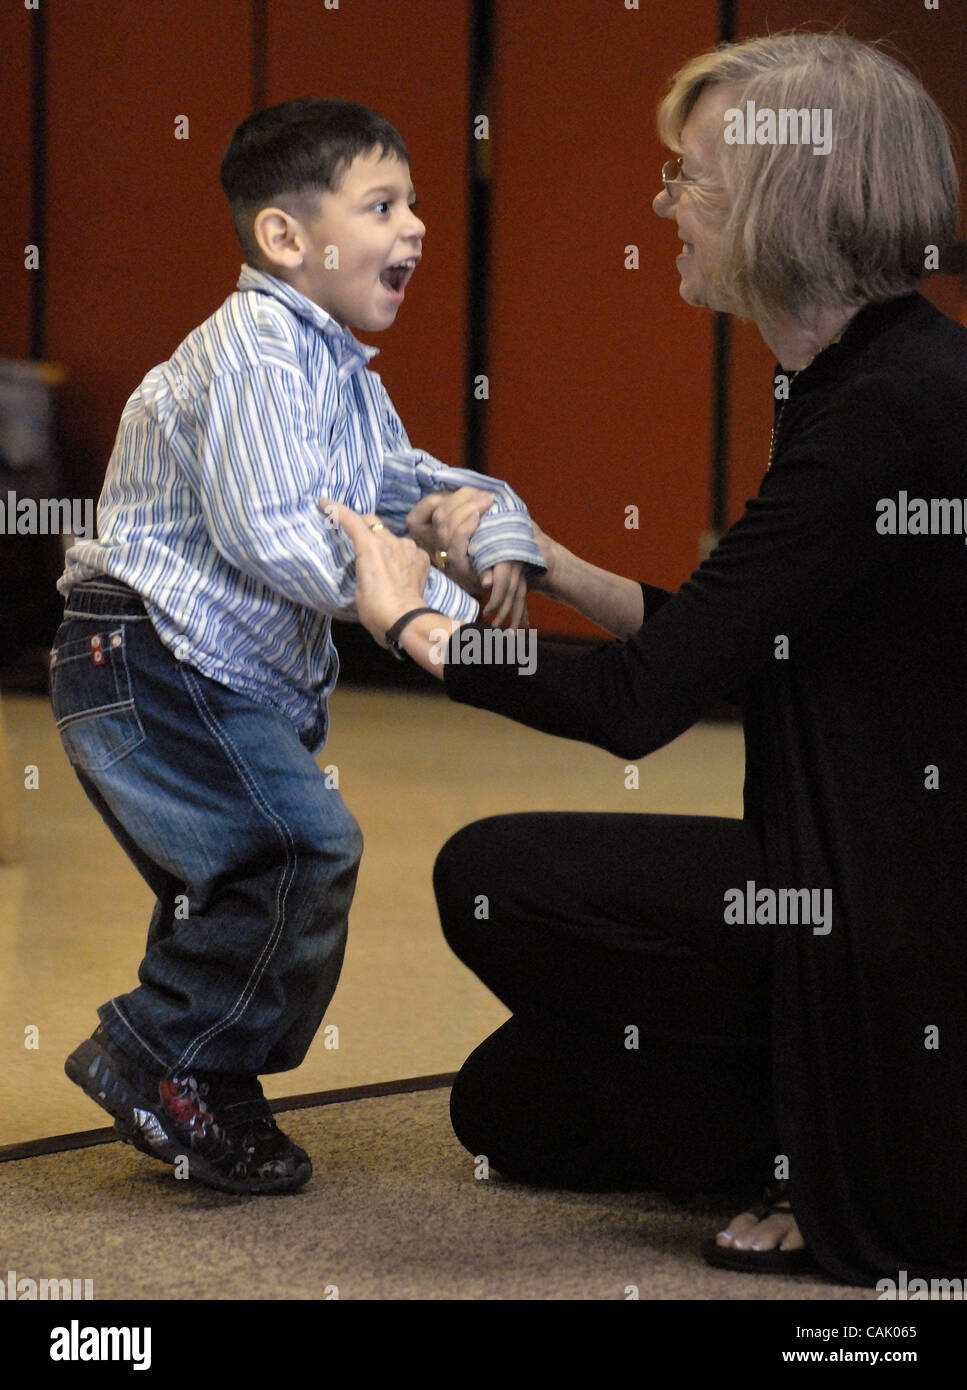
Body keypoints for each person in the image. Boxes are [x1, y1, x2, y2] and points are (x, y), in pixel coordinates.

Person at [327, 32, 967, 1287]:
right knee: (510, 1110)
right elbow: (751, 643)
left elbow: (638, 705)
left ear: (793, 199)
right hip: (870, 876)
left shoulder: (890, 410)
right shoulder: (869, 376)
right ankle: (788, 1118)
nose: (661, 204)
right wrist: (553, 563)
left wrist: (411, 629)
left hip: (901, 920)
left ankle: (836, 1157)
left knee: (495, 875)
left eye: (692, 178)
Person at [51, 98, 543, 1195]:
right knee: (296, 850)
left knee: (226, 884)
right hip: (148, 657)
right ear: (286, 238)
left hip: (189, 669)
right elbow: (271, 529)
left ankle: (203, 1090)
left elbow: (399, 481)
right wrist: (413, 614)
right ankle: (158, 1051)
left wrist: (486, 518)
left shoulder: (335, 373)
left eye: (414, 202)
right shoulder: (259, 354)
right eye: (383, 204)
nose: (415, 226)